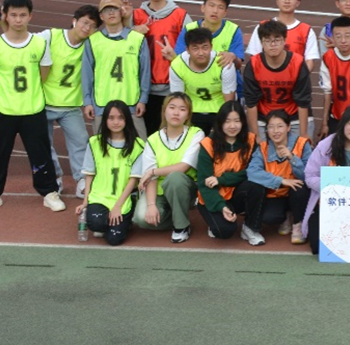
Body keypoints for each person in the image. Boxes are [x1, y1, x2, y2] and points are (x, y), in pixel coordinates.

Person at [0, 0, 65, 214]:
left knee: (40, 153)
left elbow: (43, 75)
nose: (18, 19)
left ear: (30, 16)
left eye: (23, 15)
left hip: (32, 108)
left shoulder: (39, 44)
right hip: (2, 109)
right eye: (13, 15)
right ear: (5, 15)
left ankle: (49, 192)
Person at [304, 105, 350, 255]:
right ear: (343, 123)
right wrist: (332, 187)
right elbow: (310, 176)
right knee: (318, 248)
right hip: (328, 204)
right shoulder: (326, 145)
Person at [43, 4, 101, 198]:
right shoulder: (51, 36)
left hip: (70, 105)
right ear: (74, 21)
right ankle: (54, 178)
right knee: (43, 143)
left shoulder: (91, 45)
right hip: (43, 102)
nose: (87, 28)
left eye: (92, 26)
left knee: (81, 141)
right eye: (84, 22)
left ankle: (82, 180)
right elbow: (25, 41)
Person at [135, 92, 204, 243]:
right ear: (164, 110)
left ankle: (181, 227)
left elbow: (184, 167)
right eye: (172, 107)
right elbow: (151, 179)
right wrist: (151, 205)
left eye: (182, 109)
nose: (176, 113)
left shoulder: (196, 134)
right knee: (141, 219)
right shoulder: (153, 140)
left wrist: (153, 171)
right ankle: (177, 215)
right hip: (160, 190)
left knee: (175, 177)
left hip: (185, 188)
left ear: (188, 115)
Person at [75, 100, 145, 246]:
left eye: (120, 118)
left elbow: (133, 180)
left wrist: (118, 206)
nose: (116, 122)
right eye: (111, 118)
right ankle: (105, 220)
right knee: (96, 224)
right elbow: (89, 175)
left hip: (123, 198)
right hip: (100, 196)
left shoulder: (138, 145)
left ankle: (125, 221)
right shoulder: (95, 142)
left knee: (114, 239)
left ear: (127, 119)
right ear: (105, 120)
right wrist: (85, 201)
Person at [131, 0, 191, 135]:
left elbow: (192, 49)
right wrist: (132, 31)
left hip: (171, 86)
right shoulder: (136, 16)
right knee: (147, 136)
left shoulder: (180, 15)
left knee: (171, 133)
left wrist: (175, 57)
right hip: (143, 88)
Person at [195, 101, 264, 245]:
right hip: (214, 195)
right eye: (227, 121)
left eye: (237, 121)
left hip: (237, 193)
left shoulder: (250, 140)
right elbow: (204, 183)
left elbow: (254, 172)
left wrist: (222, 179)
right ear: (220, 122)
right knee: (224, 231)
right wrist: (221, 206)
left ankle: (250, 227)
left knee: (257, 184)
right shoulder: (208, 144)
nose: (232, 126)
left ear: (243, 122)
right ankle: (214, 218)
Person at [82, 0, 150, 137]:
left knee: (140, 145)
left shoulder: (137, 39)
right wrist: (87, 102)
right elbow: (87, 74)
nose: (111, 13)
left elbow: (145, 72)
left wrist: (143, 99)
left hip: (131, 103)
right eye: (107, 11)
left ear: (121, 12)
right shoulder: (93, 41)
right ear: (101, 16)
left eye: (114, 9)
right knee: (101, 146)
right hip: (101, 104)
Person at [247, 110, 313, 244]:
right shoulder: (263, 147)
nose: (275, 131)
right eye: (271, 127)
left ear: (288, 127)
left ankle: (298, 223)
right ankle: (286, 215)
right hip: (276, 193)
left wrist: (292, 158)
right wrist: (281, 181)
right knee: (269, 218)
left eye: (280, 126)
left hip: (298, 192)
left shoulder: (302, 144)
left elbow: (309, 175)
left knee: (299, 189)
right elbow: (252, 172)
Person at [243, 20, 313, 143]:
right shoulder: (254, 65)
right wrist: (255, 135)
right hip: (263, 116)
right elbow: (251, 102)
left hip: (293, 116)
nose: (273, 44)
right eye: (267, 40)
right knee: (258, 150)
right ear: (261, 43)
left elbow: (302, 101)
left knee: (301, 149)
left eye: (277, 40)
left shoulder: (297, 63)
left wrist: (303, 134)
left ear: (285, 40)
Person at [168, 27, 236, 136]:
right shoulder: (177, 65)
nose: (201, 53)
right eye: (195, 48)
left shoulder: (224, 63)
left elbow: (228, 102)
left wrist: (224, 124)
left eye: (205, 47)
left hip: (219, 110)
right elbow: (178, 99)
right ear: (187, 50)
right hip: (191, 110)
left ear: (211, 47)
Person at [167, 0, 244, 82]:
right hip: (194, 83)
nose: (215, 11)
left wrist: (233, 57)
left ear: (225, 13)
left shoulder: (234, 30)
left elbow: (238, 64)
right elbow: (180, 60)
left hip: (226, 84)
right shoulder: (189, 29)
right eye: (211, 5)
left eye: (220, 7)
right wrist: (173, 56)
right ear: (203, 8)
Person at [247, 0, 321, 73]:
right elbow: (254, 56)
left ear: (298, 2)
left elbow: (310, 61)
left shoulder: (306, 30)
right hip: (267, 78)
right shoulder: (262, 26)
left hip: (295, 78)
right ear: (277, 1)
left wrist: (299, 77)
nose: (287, 1)